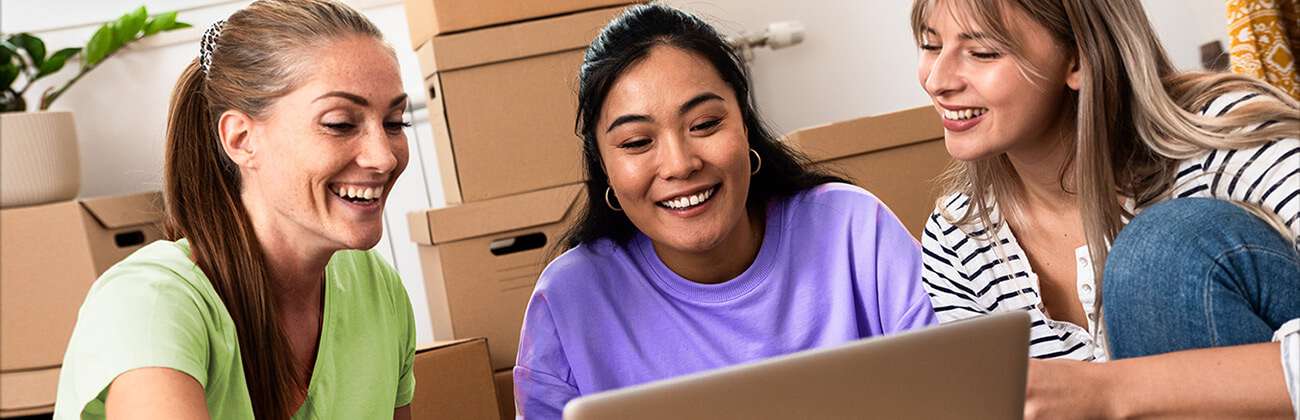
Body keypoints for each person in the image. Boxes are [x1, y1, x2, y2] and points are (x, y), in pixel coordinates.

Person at [512, 4, 938, 418]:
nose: (680, 164)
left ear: (745, 124)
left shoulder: (853, 230)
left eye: (704, 124)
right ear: (605, 167)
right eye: (638, 142)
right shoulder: (570, 299)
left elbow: (956, 386)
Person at [911, 0, 1300, 418]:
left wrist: (1108, 391)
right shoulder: (957, 236)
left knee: (1158, 251)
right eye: (930, 46)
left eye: (983, 52)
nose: (937, 80)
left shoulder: (1227, 138)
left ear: (1078, 57)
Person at [54, 1, 416, 418]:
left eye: (394, 123)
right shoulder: (150, 303)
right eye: (340, 124)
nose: (384, 157)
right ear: (241, 139)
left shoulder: (375, 287)